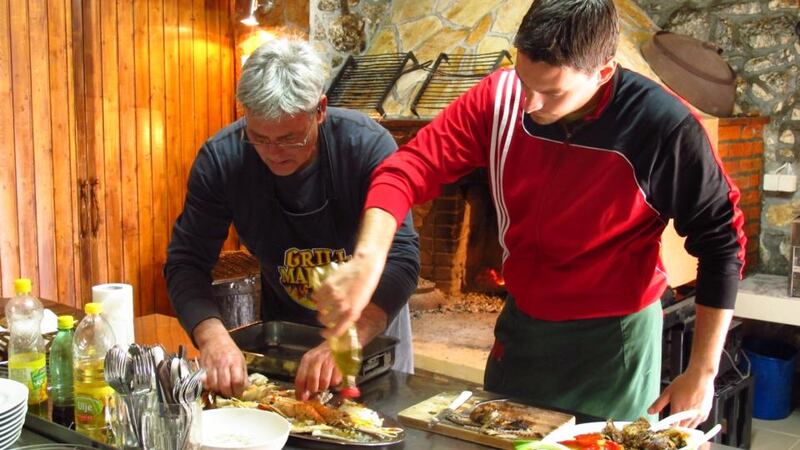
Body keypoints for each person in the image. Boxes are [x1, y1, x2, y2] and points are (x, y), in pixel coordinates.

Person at [313, 0, 745, 425]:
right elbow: (406, 170)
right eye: (523, 80)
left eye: (552, 91)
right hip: (523, 326)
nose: (528, 104)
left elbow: (721, 241)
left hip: (613, 343)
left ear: (604, 73)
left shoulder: (662, 125)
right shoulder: (501, 96)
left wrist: (702, 370)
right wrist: (368, 261)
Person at [164, 36, 420, 400]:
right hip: (284, 333)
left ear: (320, 110)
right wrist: (213, 336)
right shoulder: (222, 160)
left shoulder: (365, 146)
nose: (274, 153)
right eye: (259, 137)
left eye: (290, 138)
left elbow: (403, 257)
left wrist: (351, 337)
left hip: (371, 325)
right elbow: (186, 261)